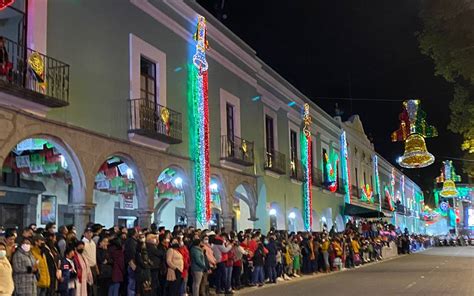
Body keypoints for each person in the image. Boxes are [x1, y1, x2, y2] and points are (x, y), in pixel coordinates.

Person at [82, 227, 98, 296]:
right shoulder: (83, 243)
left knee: (93, 286)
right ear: (84, 234)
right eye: (87, 233)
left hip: (93, 266)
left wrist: (96, 267)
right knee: (88, 287)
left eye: (91, 232)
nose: (89, 234)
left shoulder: (93, 243)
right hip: (86, 267)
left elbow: (94, 255)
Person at [125, 228, 140, 296]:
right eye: (137, 232)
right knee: (132, 283)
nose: (138, 233)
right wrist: (132, 264)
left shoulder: (133, 241)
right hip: (132, 264)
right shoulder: (131, 242)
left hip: (133, 263)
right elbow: (131, 254)